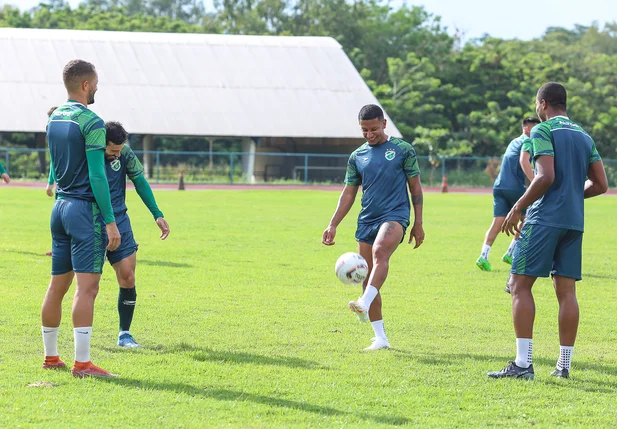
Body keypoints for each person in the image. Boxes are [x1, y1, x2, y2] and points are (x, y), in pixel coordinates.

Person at [488, 82, 608, 380]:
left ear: (542, 103)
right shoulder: (584, 136)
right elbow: (602, 185)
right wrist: (571, 196)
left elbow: (545, 176)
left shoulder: (542, 131)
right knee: (566, 292)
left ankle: (522, 364)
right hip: (574, 221)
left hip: (544, 219)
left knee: (519, 285)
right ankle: (564, 365)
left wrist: (517, 207)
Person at [41, 59, 121, 378]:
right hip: (83, 211)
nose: (98, 88)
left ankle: (51, 358)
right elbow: (98, 176)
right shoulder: (92, 121)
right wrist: (111, 221)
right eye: (96, 83)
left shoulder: (54, 118)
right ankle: (83, 364)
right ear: (86, 85)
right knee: (86, 289)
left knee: (56, 287)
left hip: (59, 209)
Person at [322, 104, 425, 351]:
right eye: (364, 130)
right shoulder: (357, 156)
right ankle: (380, 338)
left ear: (384, 124)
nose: (369, 134)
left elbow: (416, 189)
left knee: (380, 253)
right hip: (367, 219)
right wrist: (333, 224)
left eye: (374, 129)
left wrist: (418, 223)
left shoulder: (403, 150)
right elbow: (348, 193)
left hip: (395, 215)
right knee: (367, 276)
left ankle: (363, 303)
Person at [102, 121, 170, 347]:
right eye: (112, 150)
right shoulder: (89, 151)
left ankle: (124, 334)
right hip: (92, 220)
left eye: (120, 150)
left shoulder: (125, 154)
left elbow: (139, 181)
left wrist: (157, 214)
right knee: (86, 284)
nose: (116, 154)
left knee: (128, 277)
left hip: (120, 219)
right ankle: (81, 336)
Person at [476, 117, 539, 272]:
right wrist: (535, 180)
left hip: (499, 186)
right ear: (527, 129)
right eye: (536, 128)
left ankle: (483, 257)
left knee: (497, 222)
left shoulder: (513, 142)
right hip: (515, 188)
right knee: (527, 219)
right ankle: (510, 253)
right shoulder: (528, 141)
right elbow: (524, 161)